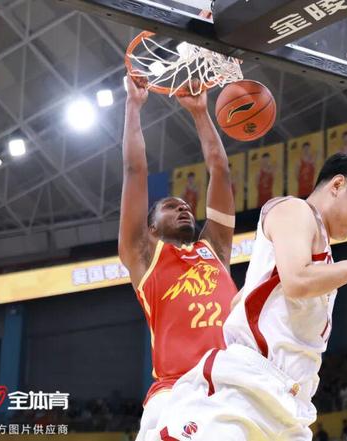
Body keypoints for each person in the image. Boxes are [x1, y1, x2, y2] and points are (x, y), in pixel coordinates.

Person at [146, 151, 347, 440]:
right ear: (337, 185)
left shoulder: (320, 251)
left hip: (291, 405)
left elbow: (241, 300)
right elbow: (297, 280)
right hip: (247, 390)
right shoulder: (294, 210)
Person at [119, 77, 238, 441]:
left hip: (229, 386)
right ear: (151, 227)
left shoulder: (215, 248)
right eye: (171, 206)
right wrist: (133, 106)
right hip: (174, 390)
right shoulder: (143, 255)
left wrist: (201, 112)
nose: (184, 208)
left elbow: (220, 170)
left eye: (186, 206)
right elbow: (135, 172)